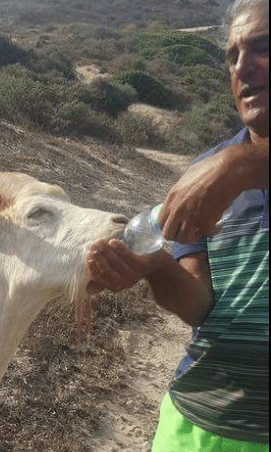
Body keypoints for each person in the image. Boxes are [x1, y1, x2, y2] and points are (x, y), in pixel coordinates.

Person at [85, 0, 269, 450]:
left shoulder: (223, 171)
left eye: (262, 46)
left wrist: (242, 167)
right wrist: (153, 267)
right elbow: (201, 308)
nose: (242, 66)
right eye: (231, 55)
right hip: (200, 429)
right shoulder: (204, 172)